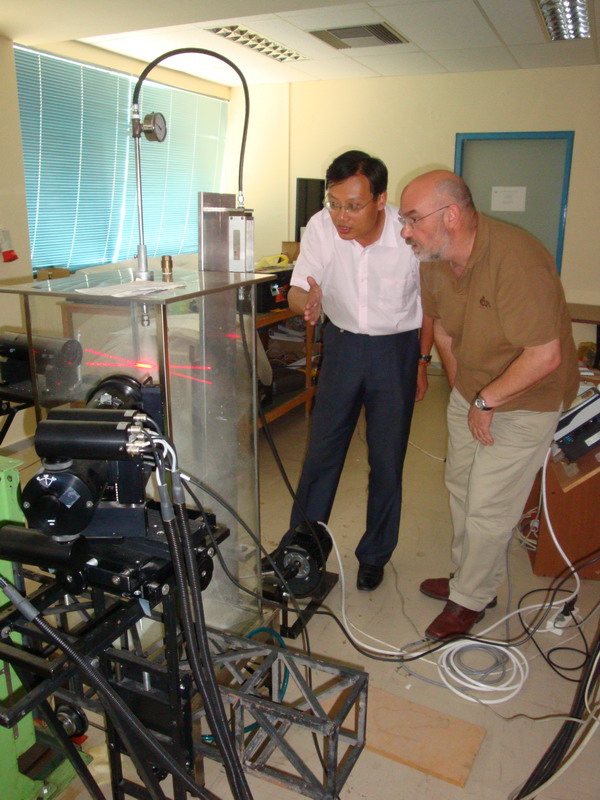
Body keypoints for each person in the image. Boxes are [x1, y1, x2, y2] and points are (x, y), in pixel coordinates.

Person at [399, 169, 579, 639]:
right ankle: (472, 577)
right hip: (476, 392)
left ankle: (471, 598)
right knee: (460, 485)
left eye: (413, 219)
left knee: (488, 505)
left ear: (451, 215)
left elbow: (545, 355)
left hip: (530, 398)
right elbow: (443, 329)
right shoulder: (433, 260)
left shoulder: (517, 259)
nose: (405, 232)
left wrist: (487, 400)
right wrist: (466, 394)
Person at [277, 150, 432, 592]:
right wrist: (305, 304)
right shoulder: (321, 226)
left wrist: (422, 362)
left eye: (353, 206)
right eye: (334, 203)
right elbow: (298, 287)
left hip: (396, 351)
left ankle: (375, 554)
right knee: (322, 453)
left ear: (381, 200)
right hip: (342, 346)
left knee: (387, 459)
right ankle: (303, 549)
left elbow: (430, 306)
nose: (341, 216)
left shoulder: (409, 232)